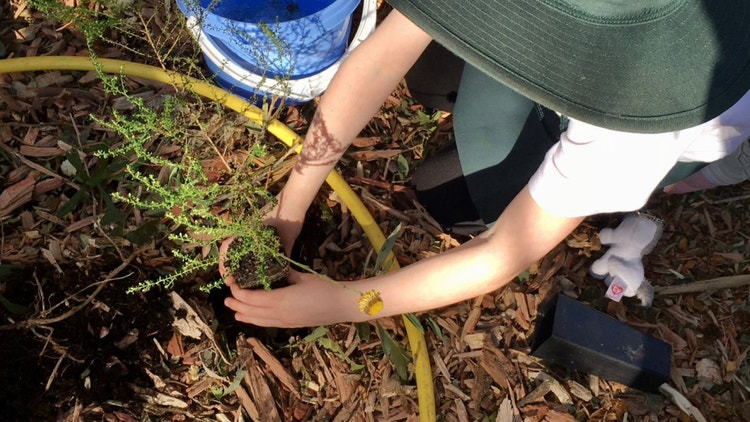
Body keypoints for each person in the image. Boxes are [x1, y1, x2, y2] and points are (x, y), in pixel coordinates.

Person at [223, 0, 750, 328]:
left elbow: (503, 251)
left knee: (456, 200)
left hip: (647, 122)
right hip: (590, 66)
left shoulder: (641, 120)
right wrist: (288, 211)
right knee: (427, 70)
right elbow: (382, 58)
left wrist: (346, 304)